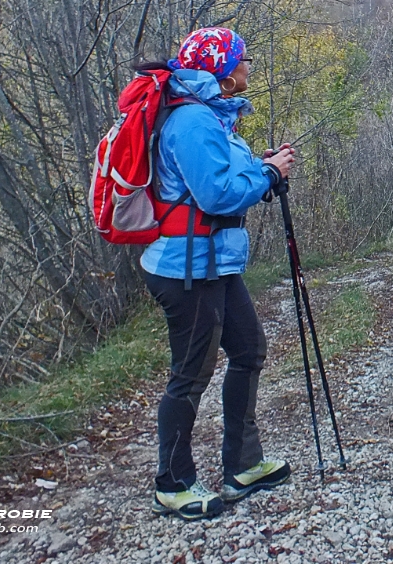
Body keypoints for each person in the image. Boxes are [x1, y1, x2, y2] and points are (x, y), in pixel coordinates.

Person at [143, 26, 295, 521]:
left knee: (248, 349)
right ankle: (173, 482)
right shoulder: (191, 122)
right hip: (185, 268)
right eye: (242, 59)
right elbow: (216, 195)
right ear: (224, 73)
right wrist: (269, 174)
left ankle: (243, 465)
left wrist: (263, 168)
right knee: (191, 373)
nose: (248, 66)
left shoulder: (211, 118)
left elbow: (231, 178)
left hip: (213, 263)